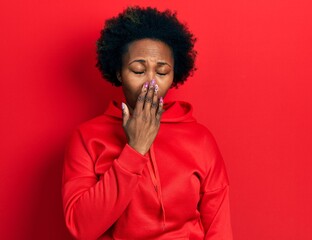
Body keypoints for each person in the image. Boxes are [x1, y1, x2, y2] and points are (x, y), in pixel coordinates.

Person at [62, 6, 233, 240]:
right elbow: (82, 228)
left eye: (162, 72)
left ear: (174, 76)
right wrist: (135, 149)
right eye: (138, 70)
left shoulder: (200, 139)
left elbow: (218, 228)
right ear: (120, 73)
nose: (150, 84)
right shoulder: (86, 138)